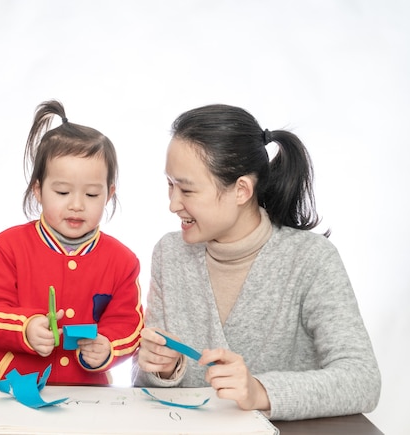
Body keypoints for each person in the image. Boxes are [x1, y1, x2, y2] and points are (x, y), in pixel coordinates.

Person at [132, 103, 381, 420]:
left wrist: (260, 391)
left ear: (241, 190)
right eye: (170, 184)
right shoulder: (169, 254)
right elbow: (143, 391)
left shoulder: (310, 259)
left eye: (187, 189)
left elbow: (363, 380)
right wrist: (161, 369)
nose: (172, 204)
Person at [0, 100, 143, 385]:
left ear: (109, 194)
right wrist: (26, 326)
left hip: (85, 394)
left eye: (92, 195)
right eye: (62, 191)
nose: (76, 205)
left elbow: (129, 324)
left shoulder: (123, 261)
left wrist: (108, 346)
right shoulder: (4, 247)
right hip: (3, 389)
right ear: (38, 189)